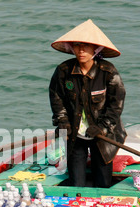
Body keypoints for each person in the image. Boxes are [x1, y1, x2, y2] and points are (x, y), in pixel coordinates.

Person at [49, 19, 126, 188]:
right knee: (76, 183)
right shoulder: (63, 71)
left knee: (103, 183)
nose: (81, 50)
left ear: (96, 49)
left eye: (86, 46)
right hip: (75, 134)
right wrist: (63, 122)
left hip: (103, 136)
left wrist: (102, 127)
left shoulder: (108, 72)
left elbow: (116, 104)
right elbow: (57, 98)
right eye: (77, 45)